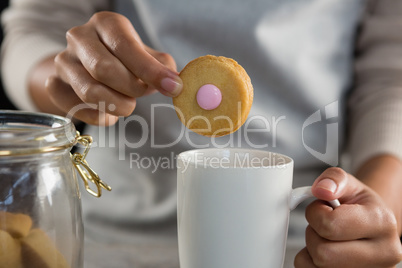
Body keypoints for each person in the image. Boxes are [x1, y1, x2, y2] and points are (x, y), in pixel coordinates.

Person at [2, 0, 402, 267]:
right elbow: (34, 28)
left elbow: (390, 77)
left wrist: (368, 215)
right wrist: (70, 77)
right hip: (109, 229)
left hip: (301, 245)